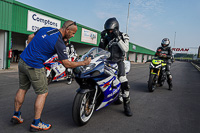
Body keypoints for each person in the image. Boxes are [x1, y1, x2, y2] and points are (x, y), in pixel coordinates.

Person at [10, 20, 91, 132]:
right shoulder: (59, 42)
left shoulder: (47, 29)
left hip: (22, 61)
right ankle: (36, 123)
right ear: (67, 30)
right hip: (34, 65)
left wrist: (29, 50)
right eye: (72, 33)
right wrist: (84, 63)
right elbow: (67, 63)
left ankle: (16, 115)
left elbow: (30, 37)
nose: (72, 36)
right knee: (43, 93)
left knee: (22, 88)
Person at [99, 17, 132, 116]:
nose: (109, 32)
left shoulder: (124, 35)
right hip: (108, 61)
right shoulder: (107, 37)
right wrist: (102, 38)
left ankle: (127, 105)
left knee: (123, 81)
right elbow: (100, 50)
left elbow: (125, 49)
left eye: (111, 30)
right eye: (107, 30)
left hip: (119, 62)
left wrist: (118, 38)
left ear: (116, 28)